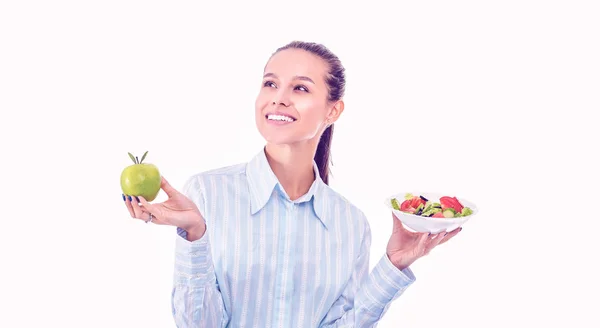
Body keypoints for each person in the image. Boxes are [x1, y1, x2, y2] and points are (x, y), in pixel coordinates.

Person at [122, 40, 462, 327]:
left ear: (333, 111)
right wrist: (195, 233)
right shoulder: (207, 194)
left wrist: (393, 265)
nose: (278, 98)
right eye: (270, 83)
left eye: (299, 88)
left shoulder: (350, 223)